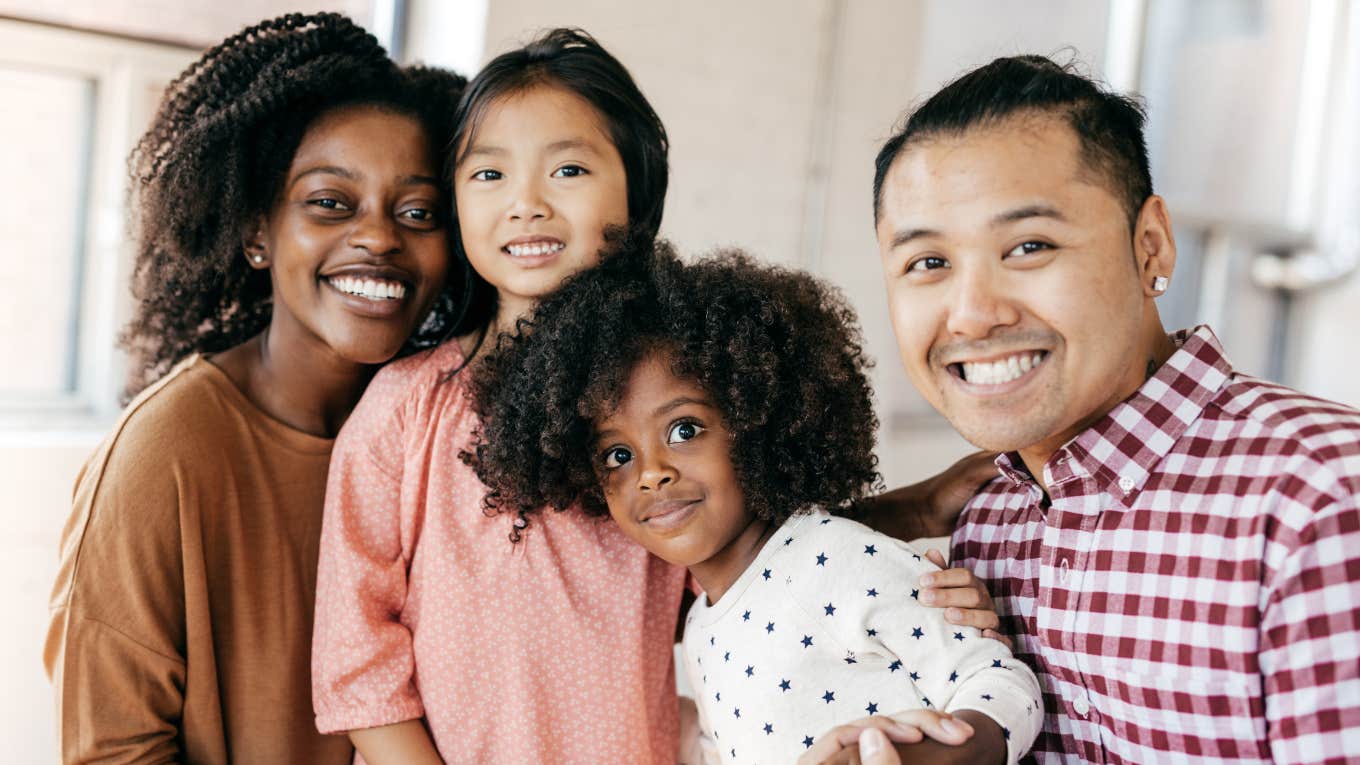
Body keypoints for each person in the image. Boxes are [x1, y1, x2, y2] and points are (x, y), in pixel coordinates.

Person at [311, 27, 999, 764]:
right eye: (489, 176)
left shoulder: (676, 393)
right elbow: (357, 663)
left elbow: (762, 555)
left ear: (637, 196)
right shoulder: (405, 411)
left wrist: (908, 544)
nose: (526, 204)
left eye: (568, 169)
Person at [849, 54, 1360, 764]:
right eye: (928, 264)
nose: (971, 315)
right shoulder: (981, 529)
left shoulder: (1322, 500)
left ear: (1149, 245)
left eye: (1030, 246)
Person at [43, 13, 465, 762]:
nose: (379, 236)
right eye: (330, 201)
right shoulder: (162, 458)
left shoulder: (452, 433)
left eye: (419, 211)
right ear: (257, 233)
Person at [466, 235, 1045, 765]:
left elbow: (1000, 684)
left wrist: (925, 758)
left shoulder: (842, 559)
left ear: (759, 420)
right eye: (616, 457)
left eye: (684, 430)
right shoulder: (701, 628)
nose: (652, 474)